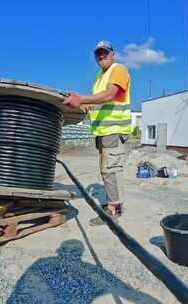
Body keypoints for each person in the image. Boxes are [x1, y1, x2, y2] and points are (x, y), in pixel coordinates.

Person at [63, 40, 132, 226]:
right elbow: (96, 102)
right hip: (103, 132)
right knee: (106, 170)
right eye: (98, 54)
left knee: (112, 170)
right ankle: (111, 205)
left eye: (105, 52)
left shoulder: (118, 69)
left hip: (114, 130)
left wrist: (82, 99)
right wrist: (80, 106)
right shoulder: (99, 77)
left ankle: (114, 210)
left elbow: (110, 95)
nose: (101, 56)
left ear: (113, 54)